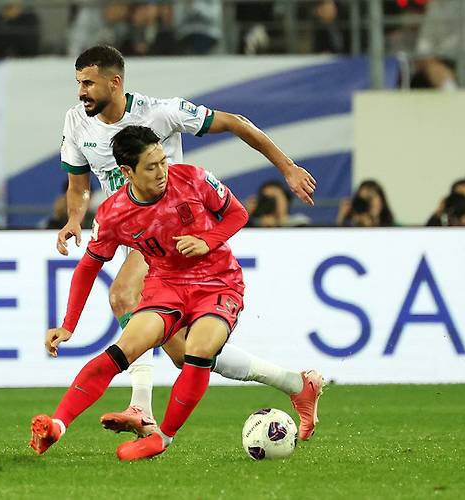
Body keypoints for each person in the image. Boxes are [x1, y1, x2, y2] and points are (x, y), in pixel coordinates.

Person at [57, 45, 321, 440]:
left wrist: (287, 167)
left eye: (88, 83)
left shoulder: (159, 112)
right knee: (188, 356)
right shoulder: (77, 122)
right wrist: (74, 219)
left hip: (168, 232)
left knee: (123, 297)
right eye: (78, 82)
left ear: (115, 82)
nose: (81, 91)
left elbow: (235, 122)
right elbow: (78, 184)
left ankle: (141, 408)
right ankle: (296, 385)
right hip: (125, 230)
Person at [31, 126, 323, 461]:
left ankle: (162, 437)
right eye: (151, 166)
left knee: (197, 349)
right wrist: (69, 325)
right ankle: (57, 425)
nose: (161, 171)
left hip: (217, 282)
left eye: (162, 161)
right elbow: (88, 267)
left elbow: (237, 213)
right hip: (166, 286)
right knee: (125, 348)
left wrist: (207, 241)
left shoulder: (193, 179)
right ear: (127, 172)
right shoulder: (113, 214)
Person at [246, 180, 311, 227]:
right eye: (267, 198)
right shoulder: (254, 223)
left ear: (286, 199)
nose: (271, 202)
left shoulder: (299, 221)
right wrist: (247, 214)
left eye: (275, 198)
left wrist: (280, 221)